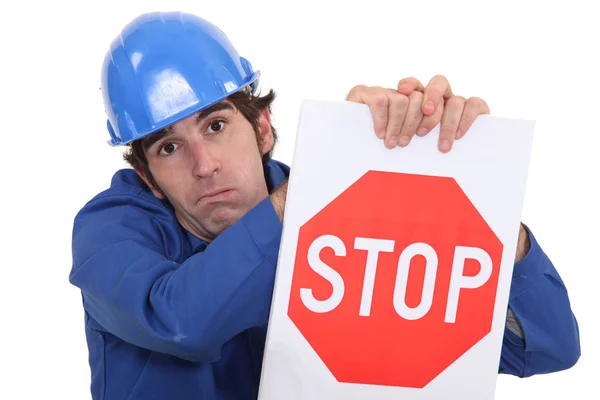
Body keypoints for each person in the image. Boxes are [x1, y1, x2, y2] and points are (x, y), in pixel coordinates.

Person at [69, 10, 581, 400]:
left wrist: (467, 190)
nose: (204, 165)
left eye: (216, 125)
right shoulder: (111, 230)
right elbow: (181, 319)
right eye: (169, 147)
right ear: (147, 177)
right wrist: (322, 180)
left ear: (262, 127)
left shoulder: (339, 200)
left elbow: (545, 347)